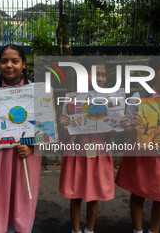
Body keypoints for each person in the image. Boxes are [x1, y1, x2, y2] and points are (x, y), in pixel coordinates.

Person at [0, 44, 42, 233]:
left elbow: (44, 127)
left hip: (24, 156)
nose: (9, 65)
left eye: (15, 61)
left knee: (23, 199)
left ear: (24, 64)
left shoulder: (36, 91)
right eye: (4, 61)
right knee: (1, 199)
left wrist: (31, 147)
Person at [116, 53, 160, 233]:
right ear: (154, 73)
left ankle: (154, 231)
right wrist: (134, 127)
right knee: (138, 193)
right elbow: (128, 130)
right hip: (143, 154)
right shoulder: (139, 96)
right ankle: (137, 230)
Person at [59, 56, 116, 233]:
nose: (100, 79)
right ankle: (75, 230)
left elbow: (115, 129)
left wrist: (120, 123)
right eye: (96, 74)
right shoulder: (71, 99)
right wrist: (64, 124)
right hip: (77, 152)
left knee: (94, 196)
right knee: (75, 195)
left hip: (100, 151)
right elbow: (63, 131)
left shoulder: (111, 100)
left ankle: (89, 230)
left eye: (103, 75)